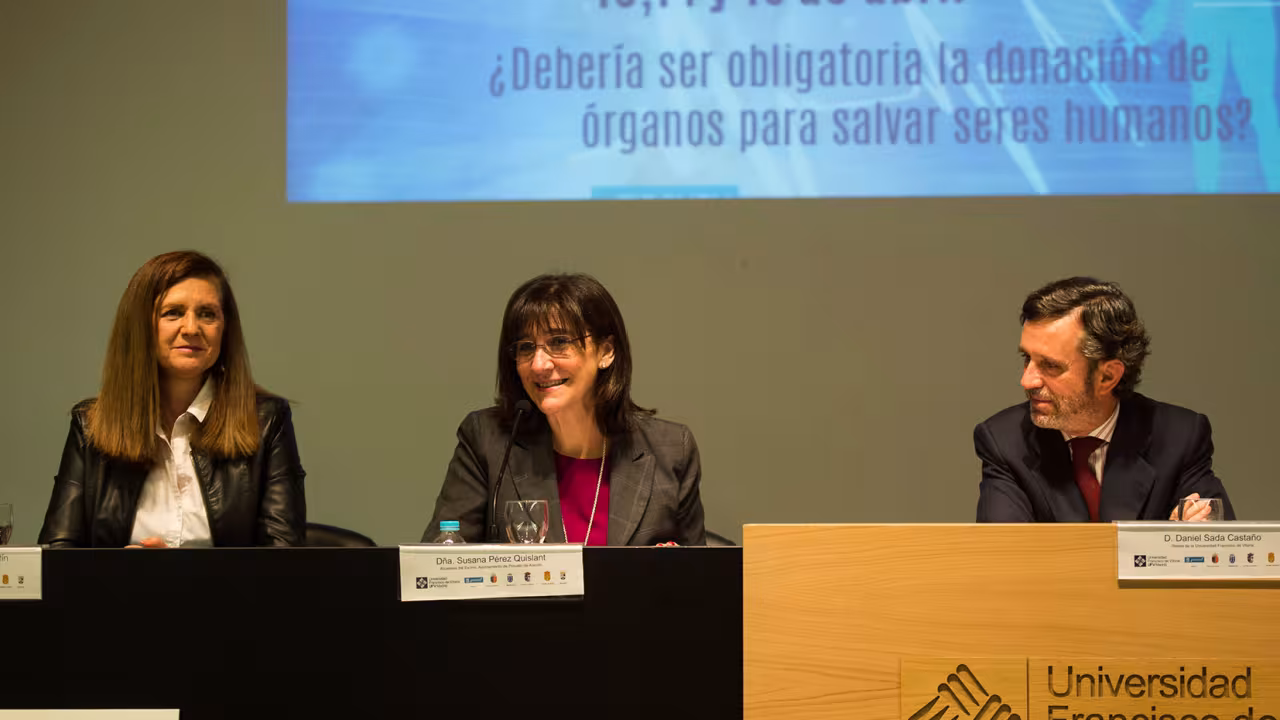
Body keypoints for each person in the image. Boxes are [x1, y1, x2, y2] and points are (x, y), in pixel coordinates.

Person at [38, 251, 306, 547]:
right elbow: (58, 556)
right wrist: (119, 575)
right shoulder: (90, 425)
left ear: (224, 329)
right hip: (120, 594)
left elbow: (284, 563)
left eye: (207, 314)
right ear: (140, 328)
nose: (191, 328)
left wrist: (180, 578)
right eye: (173, 313)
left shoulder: (267, 421)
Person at [424, 273, 705, 545]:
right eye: (525, 347)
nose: (539, 365)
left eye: (559, 342)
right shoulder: (487, 441)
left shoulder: (670, 450)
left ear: (606, 351)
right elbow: (441, 560)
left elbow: (701, 581)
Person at [974, 277, 1233, 523]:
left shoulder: (1180, 437)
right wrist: (1162, 542)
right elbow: (1006, 557)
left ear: (1108, 377)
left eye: (1050, 366)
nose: (1027, 381)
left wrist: (1184, 543)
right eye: (1026, 359)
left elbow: (1216, 548)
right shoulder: (1004, 441)